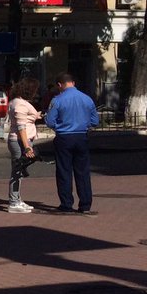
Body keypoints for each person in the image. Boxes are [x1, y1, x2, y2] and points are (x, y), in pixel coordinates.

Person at [45, 72, 99, 214]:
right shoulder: (87, 99)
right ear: (73, 83)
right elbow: (95, 121)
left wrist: (59, 127)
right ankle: (85, 205)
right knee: (83, 172)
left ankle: (66, 204)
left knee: (64, 171)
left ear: (59, 85)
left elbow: (50, 121)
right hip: (82, 137)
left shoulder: (57, 100)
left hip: (64, 137)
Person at [6, 77, 41, 214]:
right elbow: (21, 127)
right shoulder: (20, 104)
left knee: (19, 170)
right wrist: (27, 146)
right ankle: (14, 201)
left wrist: (35, 116)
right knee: (17, 170)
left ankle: (17, 199)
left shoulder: (17, 102)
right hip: (20, 141)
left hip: (20, 139)